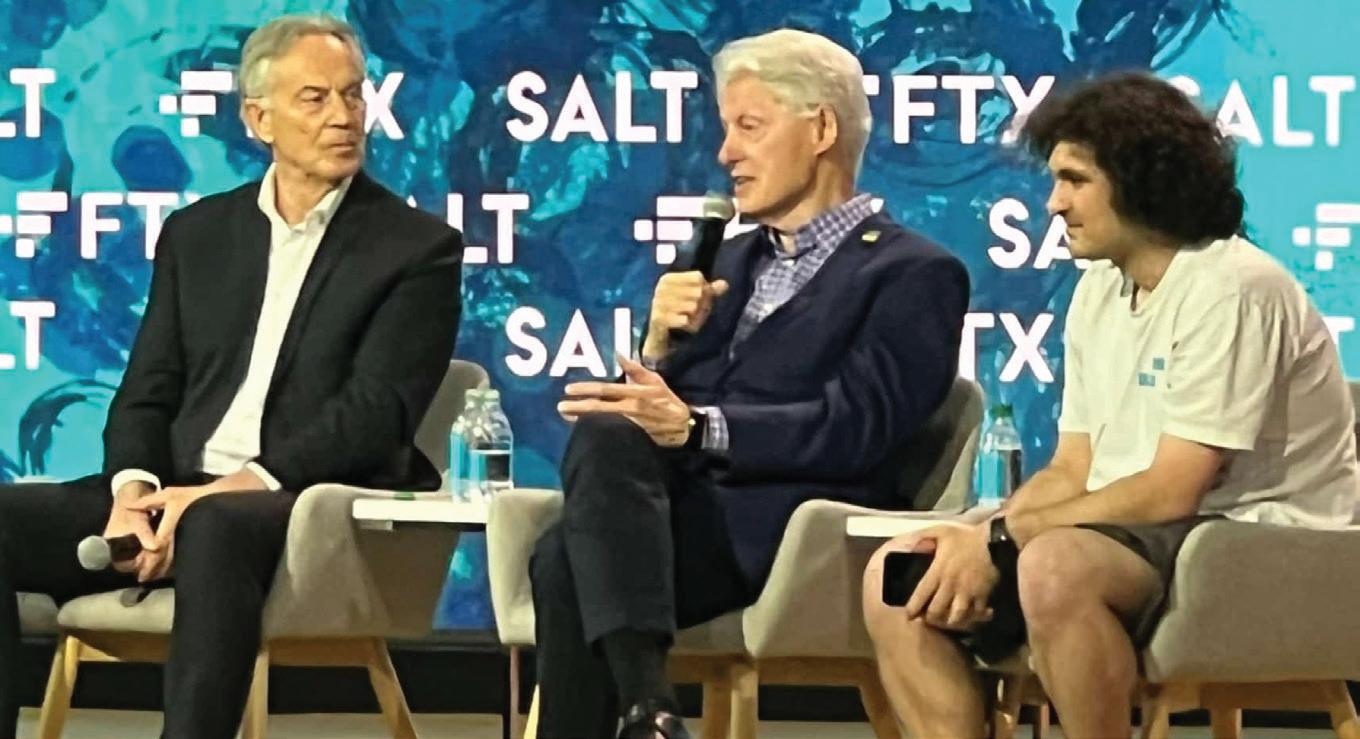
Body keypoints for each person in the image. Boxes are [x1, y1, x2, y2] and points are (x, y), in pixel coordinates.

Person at [0, 14, 462, 739]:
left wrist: (217, 493)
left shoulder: (416, 249)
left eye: (353, 94)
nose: (344, 116)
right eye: (315, 98)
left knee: (216, 525)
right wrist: (133, 495)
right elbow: (147, 391)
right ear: (258, 119)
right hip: (176, 491)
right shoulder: (199, 234)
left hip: (303, 504)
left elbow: (373, 416)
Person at [862, 72, 1359, 738]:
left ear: (1143, 182)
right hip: (1144, 530)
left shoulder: (1233, 286)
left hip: (1251, 536)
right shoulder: (1097, 289)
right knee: (902, 572)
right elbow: (1074, 467)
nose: (1053, 204)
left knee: (1055, 566)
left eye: (1075, 180)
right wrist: (981, 535)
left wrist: (1002, 538)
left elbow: (1172, 489)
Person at [534, 28, 970, 739]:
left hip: (795, 533)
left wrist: (697, 427)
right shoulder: (724, 261)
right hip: (678, 519)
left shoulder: (911, 274)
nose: (725, 153)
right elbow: (651, 427)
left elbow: (857, 426)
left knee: (567, 559)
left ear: (821, 129)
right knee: (599, 461)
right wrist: (658, 346)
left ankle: (649, 704)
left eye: (749, 127)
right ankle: (649, 710)